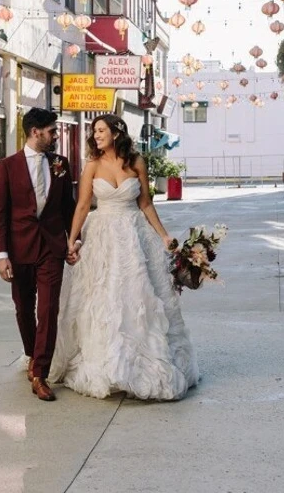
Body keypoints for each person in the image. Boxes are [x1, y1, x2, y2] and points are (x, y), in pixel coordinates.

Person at [50, 114, 199, 400]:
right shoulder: (92, 165)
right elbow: (82, 205)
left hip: (134, 234)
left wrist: (164, 236)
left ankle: (140, 358)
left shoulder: (137, 163)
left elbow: (145, 203)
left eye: (101, 130)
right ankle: (106, 360)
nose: (96, 136)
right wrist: (72, 239)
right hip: (102, 234)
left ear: (117, 133)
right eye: (94, 132)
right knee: (102, 296)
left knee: (138, 296)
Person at [0, 108, 77, 402]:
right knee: (23, 309)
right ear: (35, 132)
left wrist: (73, 241)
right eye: (52, 131)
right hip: (19, 250)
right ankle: (32, 354)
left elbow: (69, 208)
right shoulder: (7, 166)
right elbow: (0, 214)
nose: (56, 135)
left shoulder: (61, 164)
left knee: (48, 310)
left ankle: (41, 373)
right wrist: (2, 255)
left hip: (51, 248)